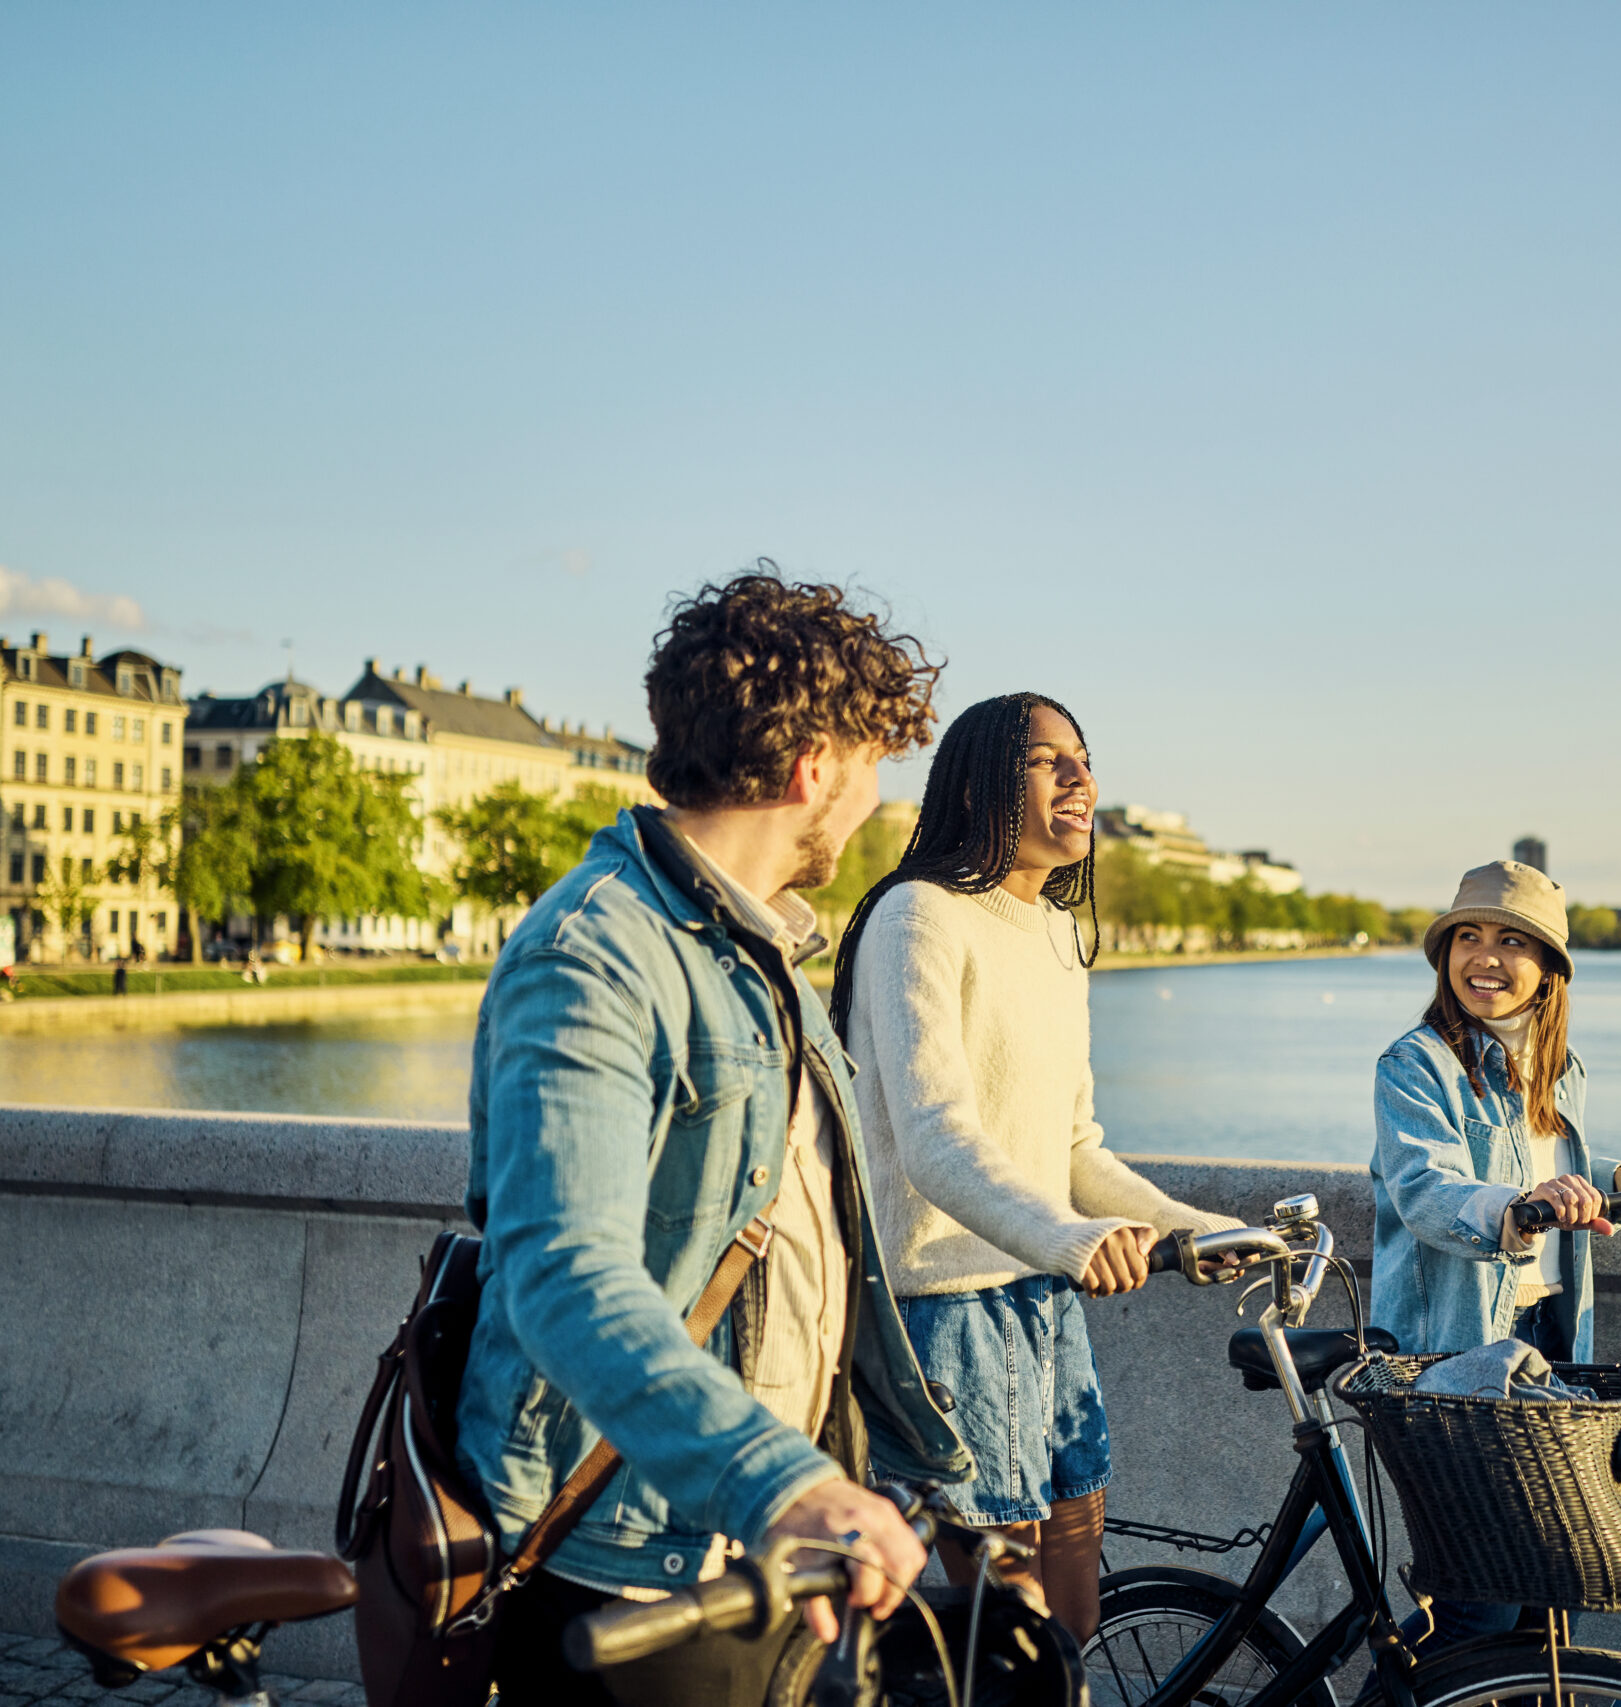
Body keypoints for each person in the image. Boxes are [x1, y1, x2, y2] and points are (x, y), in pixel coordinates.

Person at [451, 572, 970, 1706]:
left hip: (760, 1542)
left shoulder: (760, 952)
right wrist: (780, 1484)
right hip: (628, 1563)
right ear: (814, 767)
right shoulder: (592, 952)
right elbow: (561, 1274)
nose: (879, 800)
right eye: (874, 762)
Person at [831, 692, 1237, 1643]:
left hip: (1044, 1299)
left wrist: (1193, 1230)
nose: (1081, 778)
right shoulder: (917, 915)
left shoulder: (1056, 933)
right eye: (1047, 760)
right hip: (948, 1307)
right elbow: (934, 1142)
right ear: (981, 781)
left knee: (1076, 1601)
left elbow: (1075, 1150)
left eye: (1085, 760)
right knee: (1008, 1624)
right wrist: (1074, 1239)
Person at [1369, 859, 1621, 1654]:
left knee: (1548, 1598)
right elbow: (1427, 1187)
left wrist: (1617, 1181)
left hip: (1549, 1348)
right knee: (1477, 1606)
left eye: (1511, 941)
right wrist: (1519, 1209)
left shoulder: (1561, 1070)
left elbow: (1538, 1161)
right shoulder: (1415, 1064)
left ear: (1549, 970)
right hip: (1454, 1356)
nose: (1484, 957)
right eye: (1468, 936)